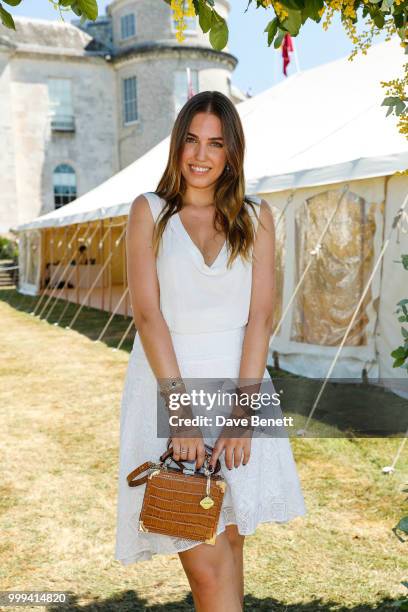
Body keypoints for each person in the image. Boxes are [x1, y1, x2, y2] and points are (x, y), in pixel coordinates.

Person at [115, 90, 307, 611]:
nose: (201, 155)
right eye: (192, 141)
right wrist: (181, 416)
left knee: (233, 543)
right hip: (168, 389)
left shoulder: (255, 216)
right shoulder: (149, 212)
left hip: (240, 388)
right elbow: (149, 316)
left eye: (215, 143)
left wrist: (243, 414)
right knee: (203, 560)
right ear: (178, 145)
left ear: (231, 153)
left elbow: (260, 317)